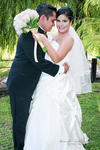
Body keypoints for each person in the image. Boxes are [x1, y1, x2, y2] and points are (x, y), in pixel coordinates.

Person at [24, 7, 92, 150]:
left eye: (64, 21)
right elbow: (48, 56)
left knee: (56, 112)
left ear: (71, 22)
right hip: (46, 79)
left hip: (58, 82)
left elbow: (56, 58)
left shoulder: (69, 39)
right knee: (40, 110)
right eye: (58, 21)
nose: (60, 25)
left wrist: (44, 40)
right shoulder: (55, 36)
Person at [7, 4, 69, 150]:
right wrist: (60, 69)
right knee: (20, 121)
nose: (54, 24)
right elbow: (38, 61)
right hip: (20, 85)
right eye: (53, 21)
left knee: (27, 119)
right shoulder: (30, 35)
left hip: (30, 84)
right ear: (42, 18)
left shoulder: (41, 34)